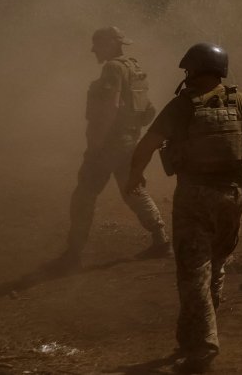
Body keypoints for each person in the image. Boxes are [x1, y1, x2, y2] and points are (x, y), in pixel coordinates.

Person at [125, 42, 242, 374]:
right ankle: (191, 336)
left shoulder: (182, 107)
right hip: (233, 195)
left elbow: (147, 145)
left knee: (193, 273)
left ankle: (204, 343)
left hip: (194, 197)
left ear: (194, 70)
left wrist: (134, 176)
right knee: (215, 265)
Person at [56, 27, 169, 269]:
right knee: (133, 190)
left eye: (96, 43)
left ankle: (74, 253)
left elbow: (110, 107)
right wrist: (130, 132)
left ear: (109, 44)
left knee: (84, 195)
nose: (93, 49)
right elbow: (147, 110)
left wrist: (97, 143)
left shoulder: (112, 68)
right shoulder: (133, 67)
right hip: (128, 142)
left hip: (109, 144)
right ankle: (161, 239)